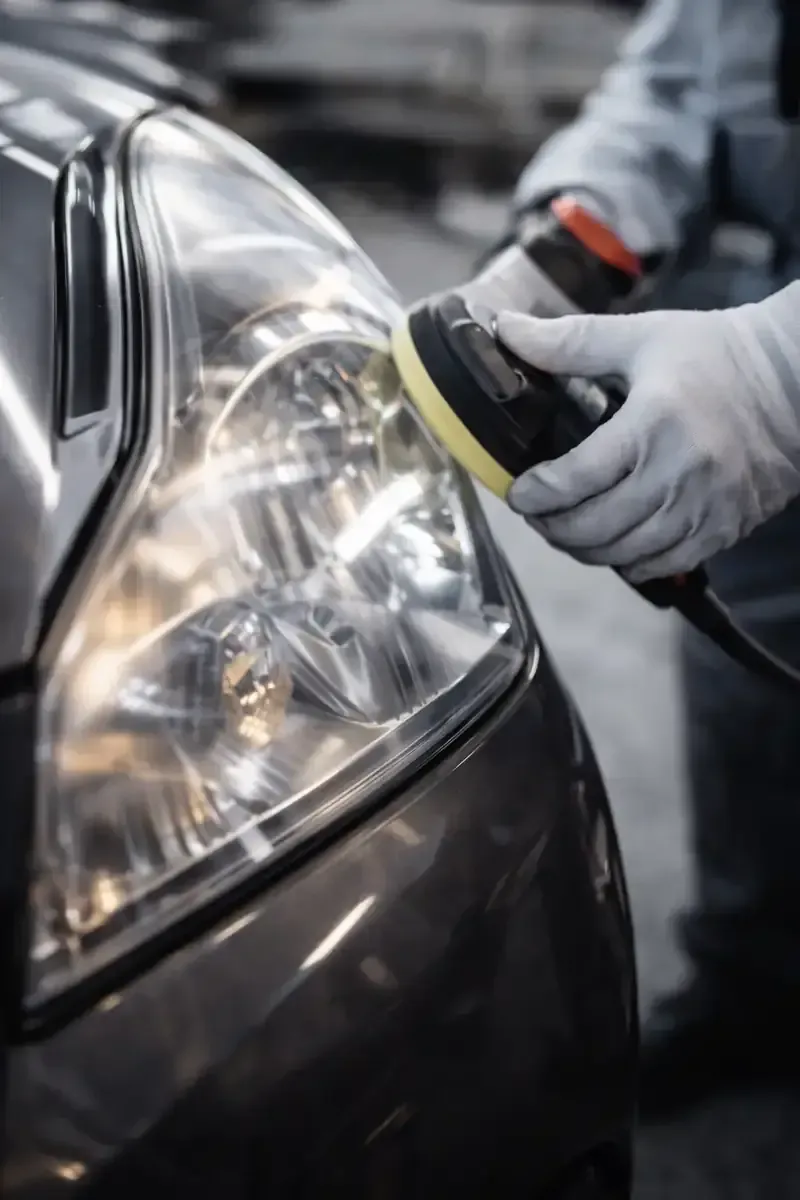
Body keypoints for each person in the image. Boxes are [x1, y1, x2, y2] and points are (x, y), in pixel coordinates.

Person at [458, 0, 800, 1117]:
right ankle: (751, 988)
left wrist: (781, 375)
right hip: (755, 304)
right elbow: (684, 79)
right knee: (749, 693)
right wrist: (568, 247)